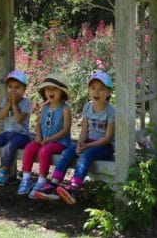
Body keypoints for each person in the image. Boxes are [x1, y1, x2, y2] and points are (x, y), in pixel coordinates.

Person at [34, 71, 115, 204]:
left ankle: (74, 187)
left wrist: (86, 146)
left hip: (105, 147)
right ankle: (53, 185)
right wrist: (80, 143)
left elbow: (108, 138)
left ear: (109, 92)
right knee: (67, 152)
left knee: (85, 155)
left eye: (101, 89)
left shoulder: (111, 111)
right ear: (89, 90)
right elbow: (84, 130)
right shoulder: (87, 107)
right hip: (88, 143)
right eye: (93, 88)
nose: (96, 92)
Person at [17, 72, 72, 198]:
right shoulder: (45, 107)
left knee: (44, 151)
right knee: (30, 148)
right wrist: (38, 136)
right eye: (48, 89)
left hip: (59, 142)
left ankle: (41, 181)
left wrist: (51, 139)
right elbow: (39, 124)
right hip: (44, 139)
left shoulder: (65, 109)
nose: (50, 92)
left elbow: (66, 129)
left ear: (62, 92)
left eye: (55, 89)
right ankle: (26, 179)